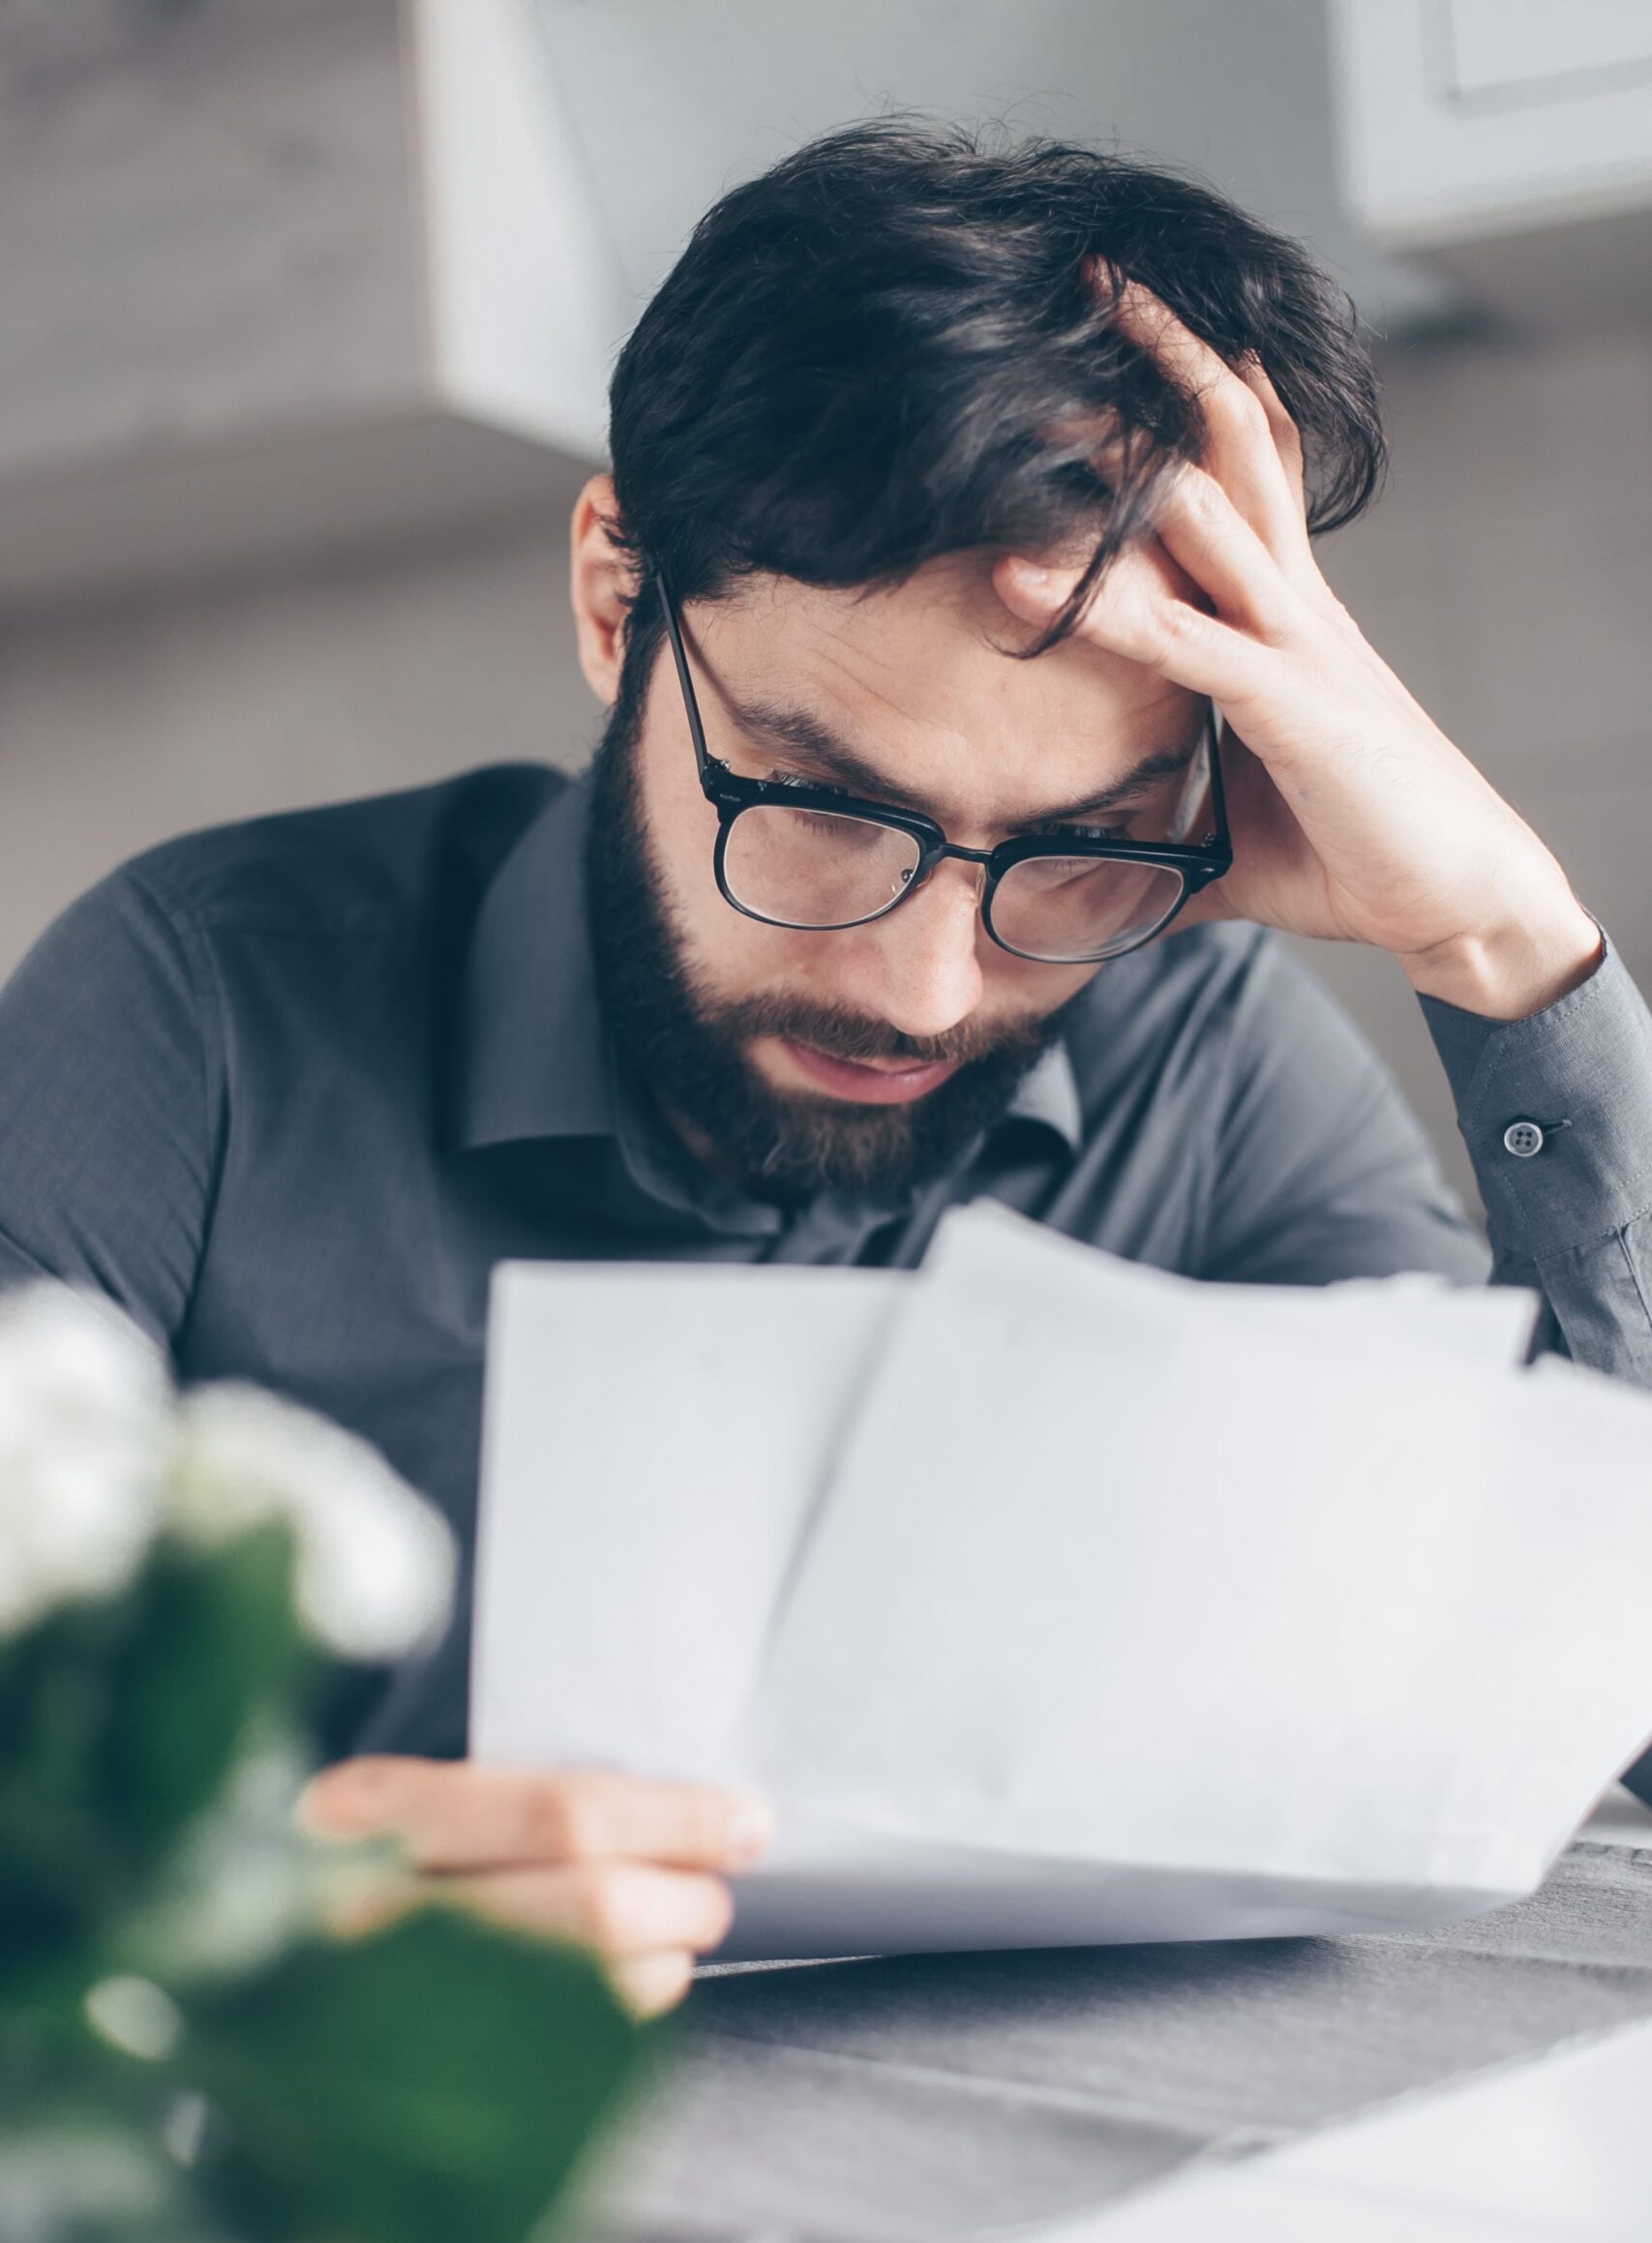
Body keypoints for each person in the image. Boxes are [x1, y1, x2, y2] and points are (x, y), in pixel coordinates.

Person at [4, 123, 1650, 2014]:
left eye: (1078, 844)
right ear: (619, 599)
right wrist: (246, 1914)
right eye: (818, 809)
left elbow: (1593, 1690)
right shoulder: (194, 1010)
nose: (926, 985)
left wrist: (1509, 949)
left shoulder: (1184, 1046)